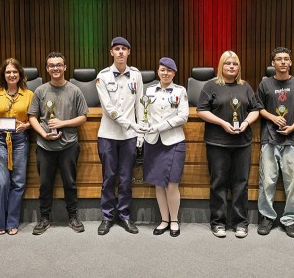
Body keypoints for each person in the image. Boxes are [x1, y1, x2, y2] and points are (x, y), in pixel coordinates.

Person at [197, 50, 260, 239]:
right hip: (217, 142)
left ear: (239, 67)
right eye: (228, 63)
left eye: (235, 63)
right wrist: (223, 123)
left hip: (242, 143)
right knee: (218, 183)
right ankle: (218, 222)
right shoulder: (211, 86)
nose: (232, 66)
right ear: (221, 66)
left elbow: (255, 109)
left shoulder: (246, 86)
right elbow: (201, 111)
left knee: (241, 183)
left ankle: (241, 223)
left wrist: (246, 122)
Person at [29, 52, 88, 234]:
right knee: (45, 184)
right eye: (51, 65)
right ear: (47, 69)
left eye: (58, 65)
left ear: (65, 67)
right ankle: (44, 218)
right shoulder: (40, 91)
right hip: (45, 146)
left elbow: (83, 117)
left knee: (69, 183)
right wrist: (43, 134)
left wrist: (63, 123)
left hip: (68, 145)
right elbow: (32, 117)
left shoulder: (75, 90)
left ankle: (73, 217)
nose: (55, 68)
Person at [255, 46, 294, 238]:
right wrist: (273, 118)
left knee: (293, 182)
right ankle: (267, 217)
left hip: (292, 139)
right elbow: (258, 107)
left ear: (290, 62)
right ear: (273, 63)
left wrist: (293, 126)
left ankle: (290, 219)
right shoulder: (265, 84)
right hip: (269, 139)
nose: (283, 62)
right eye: (279, 59)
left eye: (286, 59)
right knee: (267, 181)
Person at [95, 37, 144, 235]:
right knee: (109, 177)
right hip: (108, 134)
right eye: (117, 49)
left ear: (129, 52)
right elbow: (108, 108)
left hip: (130, 137)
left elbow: (140, 104)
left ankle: (124, 215)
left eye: (124, 49)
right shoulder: (103, 76)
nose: (121, 52)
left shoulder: (136, 76)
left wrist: (139, 131)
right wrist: (130, 124)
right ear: (111, 52)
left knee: (125, 178)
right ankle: (107, 217)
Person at [141, 57, 189, 237]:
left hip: (174, 141)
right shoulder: (149, 90)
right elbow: (144, 114)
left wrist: (160, 126)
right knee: (158, 184)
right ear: (158, 71)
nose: (165, 73)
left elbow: (183, 116)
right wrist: (142, 133)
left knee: (172, 183)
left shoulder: (180, 91)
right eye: (162, 70)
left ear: (174, 73)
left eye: (169, 70)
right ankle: (164, 220)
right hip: (153, 141)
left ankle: (174, 220)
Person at [0, 58, 33, 235]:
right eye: (8, 72)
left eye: (15, 72)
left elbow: (33, 119)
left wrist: (27, 125)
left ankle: (12, 221)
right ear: (3, 75)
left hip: (20, 139)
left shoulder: (29, 95)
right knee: (1, 182)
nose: (12, 75)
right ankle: (0, 221)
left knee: (18, 182)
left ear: (20, 74)